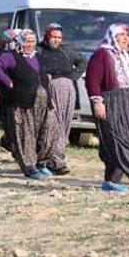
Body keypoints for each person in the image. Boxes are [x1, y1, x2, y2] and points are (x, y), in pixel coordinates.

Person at [85, 23, 129, 192]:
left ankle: (111, 181)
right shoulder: (102, 54)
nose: (126, 38)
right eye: (122, 35)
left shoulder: (128, 55)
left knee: (128, 140)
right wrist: (97, 101)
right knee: (119, 139)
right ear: (113, 37)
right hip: (114, 101)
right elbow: (92, 80)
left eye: (127, 35)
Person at [0, 29, 68, 179]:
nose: (30, 44)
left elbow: (43, 78)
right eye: (27, 41)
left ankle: (41, 161)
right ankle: (29, 167)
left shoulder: (37, 57)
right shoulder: (12, 56)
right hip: (22, 102)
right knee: (26, 135)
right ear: (20, 42)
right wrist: (7, 81)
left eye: (32, 41)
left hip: (43, 102)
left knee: (49, 131)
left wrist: (50, 99)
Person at [37, 23, 86, 165]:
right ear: (47, 36)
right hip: (48, 91)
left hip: (67, 91)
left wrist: (73, 76)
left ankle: (59, 153)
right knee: (50, 123)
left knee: (65, 122)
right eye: (54, 37)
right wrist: (43, 77)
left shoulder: (67, 51)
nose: (57, 40)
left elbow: (82, 61)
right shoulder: (39, 51)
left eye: (59, 37)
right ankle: (47, 154)